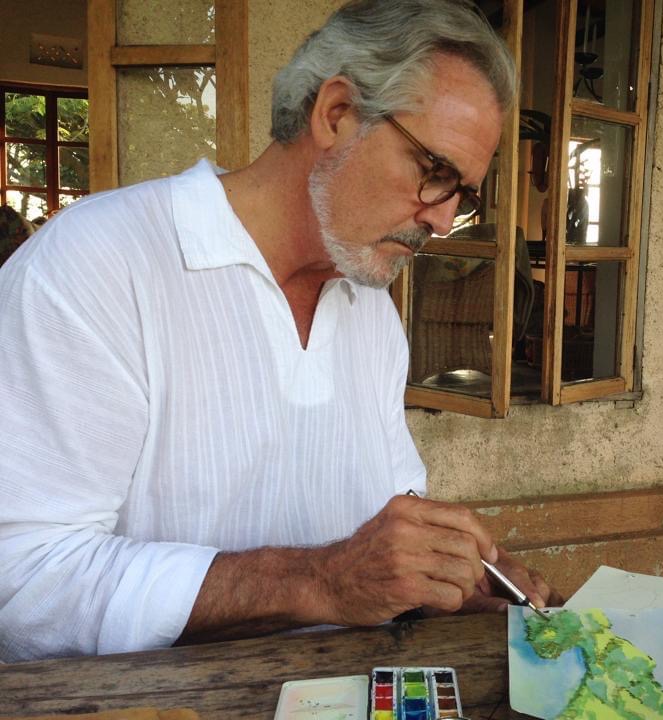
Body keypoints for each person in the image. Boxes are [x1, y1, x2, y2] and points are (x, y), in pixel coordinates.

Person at [0, 0, 559, 663]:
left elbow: (385, 529)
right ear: (336, 114)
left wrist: (454, 577)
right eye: (435, 173)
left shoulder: (368, 308)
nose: (441, 223)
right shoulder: (98, 267)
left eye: (459, 194)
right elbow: (23, 582)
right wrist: (318, 582)